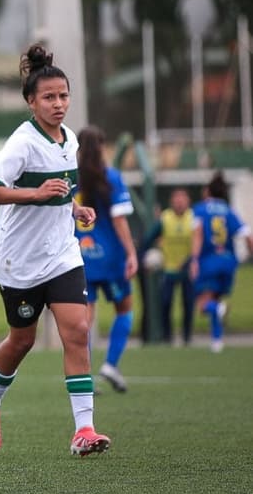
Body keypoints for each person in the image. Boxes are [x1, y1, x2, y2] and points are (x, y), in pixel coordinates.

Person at [0, 43, 109, 456]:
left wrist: (75, 207)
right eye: (49, 97)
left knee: (78, 330)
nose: (58, 104)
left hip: (63, 254)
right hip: (20, 260)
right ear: (31, 102)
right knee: (22, 340)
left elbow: (59, 189)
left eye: (63, 96)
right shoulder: (21, 144)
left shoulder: (69, 140)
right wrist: (35, 193)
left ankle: (84, 430)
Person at [73, 125, 138, 393]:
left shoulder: (70, 178)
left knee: (84, 320)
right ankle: (111, 364)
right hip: (110, 258)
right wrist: (131, 253)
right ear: (102, 147)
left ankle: (84, 374)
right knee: (124, 308)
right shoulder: (111, 176)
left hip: (79, 258)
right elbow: (119, 220)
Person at [189, 171, 253, 353]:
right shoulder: (228, 210)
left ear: (208, 191)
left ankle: (220, 310)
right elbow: (247, 234)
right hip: (228, 261)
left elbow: (198, 235)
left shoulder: (200, 209)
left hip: (209, 261)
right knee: (215, 298)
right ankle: (217, 342)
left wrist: (194, 259)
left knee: (203, 305)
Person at [141, 188, 195, 345]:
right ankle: (167, 336)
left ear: (188, 201)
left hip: (187, 269)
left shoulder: (193, 218)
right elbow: (148, 239)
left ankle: (187, 337)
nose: (179, 203)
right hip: (169, 269)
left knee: (188, 304)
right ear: (172, 202)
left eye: (182, 199)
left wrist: (192, 261)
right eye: (176, 200)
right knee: (165, 303)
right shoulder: (165, 218)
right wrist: (145, 257)